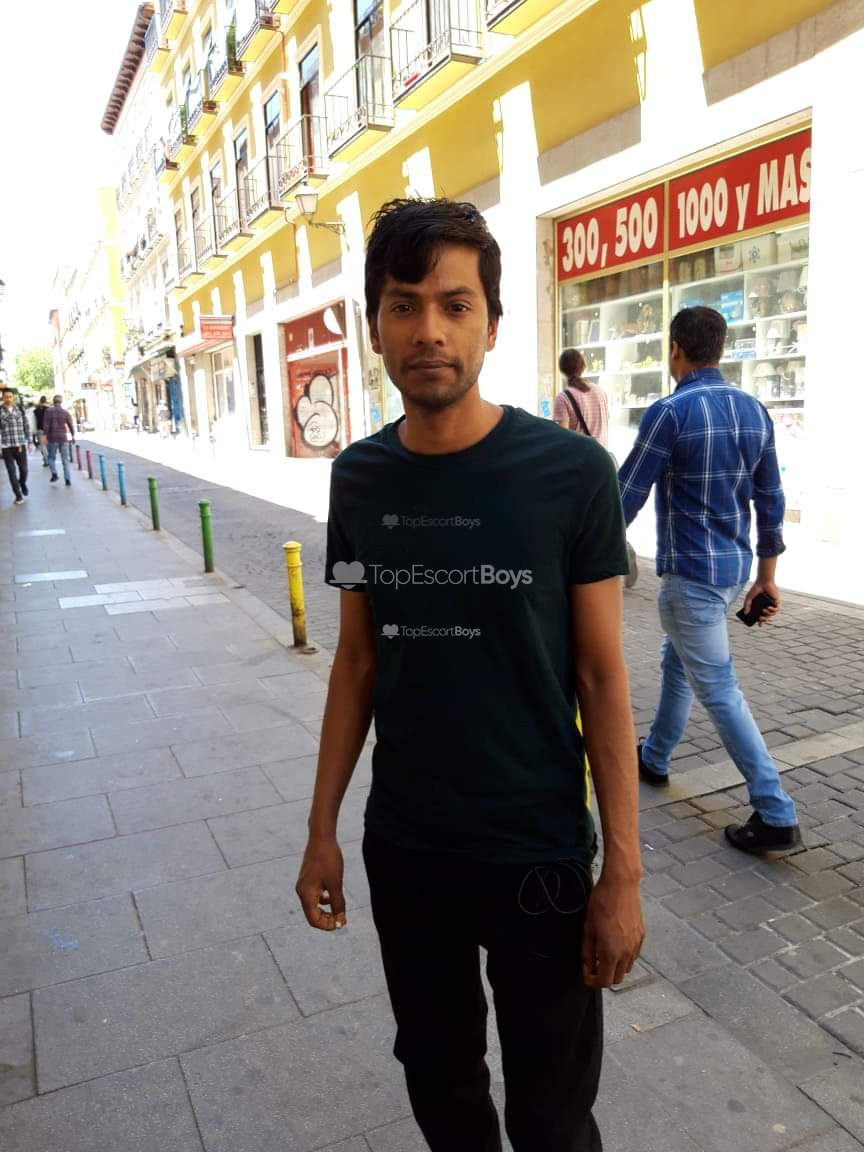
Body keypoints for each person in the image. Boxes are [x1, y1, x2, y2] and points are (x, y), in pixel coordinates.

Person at [296, 198, 643, 1152]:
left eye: (455, 305)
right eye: (404, 305)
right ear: (375, 326)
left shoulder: (573, 474)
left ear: (492, 323)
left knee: (553, 1115)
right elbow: (358, 659)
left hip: (537, 855)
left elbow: (601, 675)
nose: (430, 331)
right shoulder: (357, 480)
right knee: (440, 1084)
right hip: (408, 850)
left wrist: (623, 870)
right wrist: (321, 829)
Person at [618, 305, 799, 854]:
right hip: (733, 571)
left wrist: (580, 553)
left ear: (675, 349)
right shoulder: (753, 410)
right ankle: (654, 758)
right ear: (718, 349)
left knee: (718, 688)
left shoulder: (669, 411)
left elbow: (627, 494)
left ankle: (776, 812)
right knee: (679, 663)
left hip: (692, 576)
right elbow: (771, 498)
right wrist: (767, 577)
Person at [553, 348, 609, 446]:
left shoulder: (563, 398)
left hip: (580, 454)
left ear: (561, 370)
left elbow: (562, 437)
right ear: (583, 367)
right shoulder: (601, 391)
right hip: (602, 453)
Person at [1, 387, 29, 503]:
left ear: (13, 397)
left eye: (10, 397)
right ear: (3, 398)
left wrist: (29, 442)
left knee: (24, 470)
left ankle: (22, 482)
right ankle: (18, 495)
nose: (8, 399)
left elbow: (26, 426)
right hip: (6, 447)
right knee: (11, 472)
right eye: (6, 397)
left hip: (20, 445)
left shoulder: (20, 409)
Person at [43, 394, 75, 485]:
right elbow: (70, 425)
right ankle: (68, 480)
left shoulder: (48, 411)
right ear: (61, 402)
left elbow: (46, 425)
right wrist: (73, 436)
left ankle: (54, 473)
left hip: (52, 438)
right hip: (63, 438)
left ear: (53, 401)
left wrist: (45, 436)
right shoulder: (65, 412)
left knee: (51, 457)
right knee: (65, 460)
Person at [33, 395, 49, 466]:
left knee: (42, 446)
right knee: (47, 446)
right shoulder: (49, 410)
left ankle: (46, 461)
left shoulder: (36, 410)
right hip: (48, 430)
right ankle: (48, 459)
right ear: (46, 401)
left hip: (40, 430)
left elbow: (34, 420)